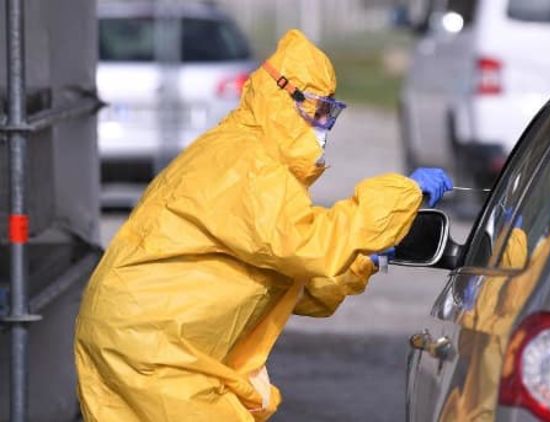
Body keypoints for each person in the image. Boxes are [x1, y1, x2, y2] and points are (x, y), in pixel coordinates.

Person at [74, 29, 452, 421]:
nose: (323, 124)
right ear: (283, 97)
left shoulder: (243, 153)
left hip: (144, 337)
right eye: (317, 109)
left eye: (329, 112)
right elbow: (309, 247)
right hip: (153, 347)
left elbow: (284, 282)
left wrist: (362, 261)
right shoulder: (248, 163)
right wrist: (402, 195)